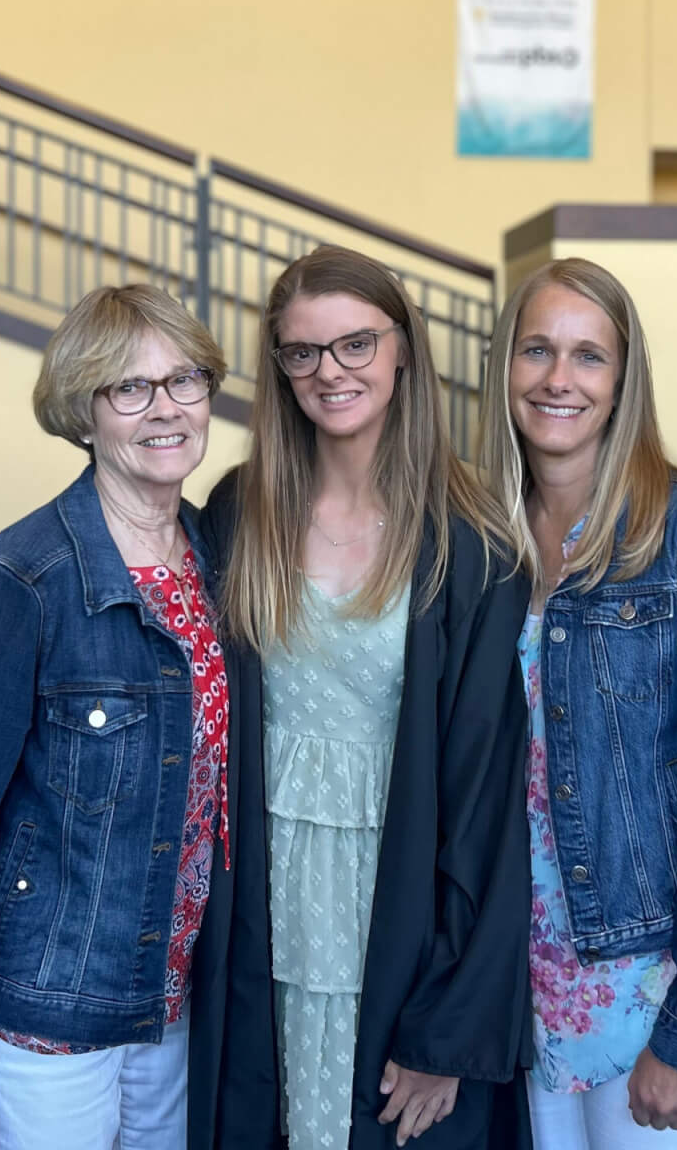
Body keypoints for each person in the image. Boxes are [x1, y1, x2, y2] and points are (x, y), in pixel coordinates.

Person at [0, 285, 270, 1150]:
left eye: (185, 379)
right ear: (83, 412)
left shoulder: (226, 563)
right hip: (47, 1018)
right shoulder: (23, 581)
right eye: (129, 388)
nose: (165, 409)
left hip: (176, 1014)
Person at [205, 245, 533, 1150]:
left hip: (401, 927)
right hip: (262, 917)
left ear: (402, 352)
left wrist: (448, 1029)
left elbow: (489, 809)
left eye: (356, 344)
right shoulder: (241, 512)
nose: (330, 372)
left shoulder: (472, 546)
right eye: (302, 352)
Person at [475, 259, 677, 1149]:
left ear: (623, 381)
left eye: (588, 356)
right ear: (505, 369)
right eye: (536, 350)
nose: (559, 379)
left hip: (651, 982)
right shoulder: (479, 539)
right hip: (525, 983)